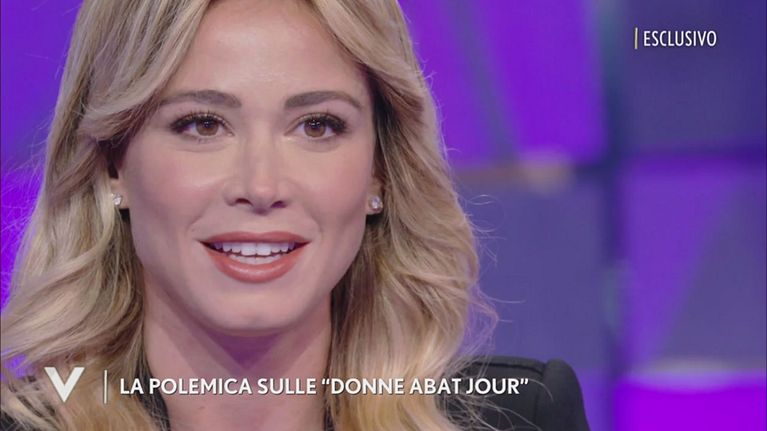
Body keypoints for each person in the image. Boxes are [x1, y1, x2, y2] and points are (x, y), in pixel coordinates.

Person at [0, 0, 589, 430]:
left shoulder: (521, 418)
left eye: (317, 126)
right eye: (202, 125)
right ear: (113, 164)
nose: (261, 186)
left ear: (380, 169)